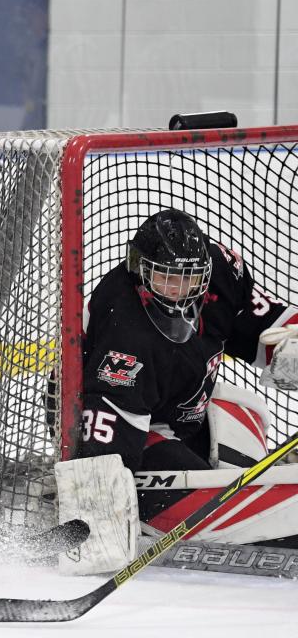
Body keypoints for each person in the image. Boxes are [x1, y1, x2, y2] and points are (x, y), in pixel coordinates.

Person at [56, 208, 298, 575]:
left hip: (184, 405)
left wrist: (290, 347)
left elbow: (264, 325)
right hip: (105, 411)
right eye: (167, 279)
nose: (179, 291)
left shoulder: (219, 273)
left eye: (189, 279)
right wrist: (100, 512)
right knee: (199, 493)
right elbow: (107, 439)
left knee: (247, 414)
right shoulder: (125, 333)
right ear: (141, 271)